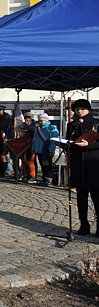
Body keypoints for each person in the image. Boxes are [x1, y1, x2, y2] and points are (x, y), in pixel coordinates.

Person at [66, 99, 99, 235]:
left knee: (97, 197)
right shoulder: (71, 125)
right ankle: (83, 224)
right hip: (78, 164)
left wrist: (89, 145)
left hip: (94, 164)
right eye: (77, 109)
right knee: (81, 198)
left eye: (82, 109)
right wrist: (64, 144)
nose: (79, 111)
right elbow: (69, 140)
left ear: (89, 110)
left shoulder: (97, 123)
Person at [32, 113, 59, 186]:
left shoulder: (51, 129)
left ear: (46, 120)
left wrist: (51, 150)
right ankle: (44, 178)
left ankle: (49, 179)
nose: (40, 122)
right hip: (39, 150)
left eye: (42, 121)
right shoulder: (37, 129)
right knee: (42, 165)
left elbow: (53, 141)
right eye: (39, 121)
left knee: (48, 165)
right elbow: (35, 140)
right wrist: (33, 148)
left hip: (46, 150)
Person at [18, 113, 37, 183]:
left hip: (30, 147)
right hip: (23, 146)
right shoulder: (22, 128)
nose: (27, 122)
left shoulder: (33, 128)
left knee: (30, 161)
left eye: (29, 120)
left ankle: (32, 175)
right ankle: (26, 174)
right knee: (24, 161)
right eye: (26, 120)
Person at [0, 105, 11, 177]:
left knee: (3, 155)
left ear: (3, 110)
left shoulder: (7, 118)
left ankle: (3, 172)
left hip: (3, 139)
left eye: (0, 110)